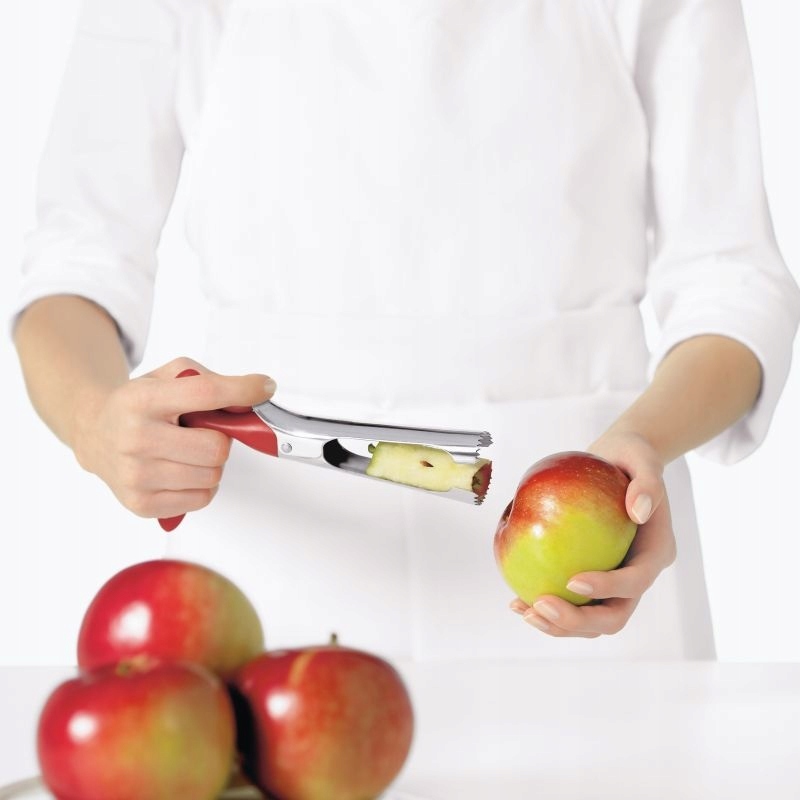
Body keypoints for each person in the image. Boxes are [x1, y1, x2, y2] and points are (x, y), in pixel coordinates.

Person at [11, 0, 799, 706]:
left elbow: (731, 280)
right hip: (268, 581)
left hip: (591, 575)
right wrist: (94, 417)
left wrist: (644, 444)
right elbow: (76, 261)